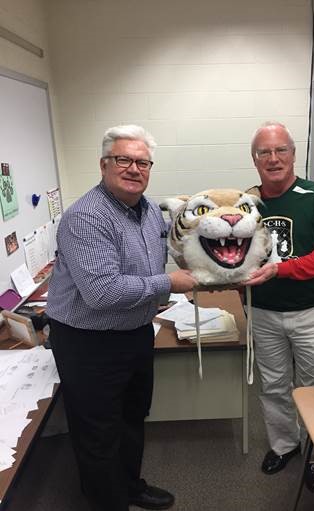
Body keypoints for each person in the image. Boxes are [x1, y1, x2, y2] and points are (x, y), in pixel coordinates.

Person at [46, 124, 197, 511]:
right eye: (123, 160)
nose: (134, 168)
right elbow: (103, 292)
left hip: (133, 333)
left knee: (132, 417)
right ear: (104, 164)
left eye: (142, 162)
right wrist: (170, 283)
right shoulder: (86, 218)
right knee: (98, 432)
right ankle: (107, 501)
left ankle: (130, 486)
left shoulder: (147, 210)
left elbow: (170, 250)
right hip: (88, 342)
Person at [244, 121, 314, 475]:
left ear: (293, 154)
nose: (273, 159)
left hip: (312, 312)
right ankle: (284, 445)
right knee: (273, 384)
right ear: (255, 159)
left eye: (280, 150)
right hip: (263, 313)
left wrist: (280, 269)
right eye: (264, 153)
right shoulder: (247, 203)